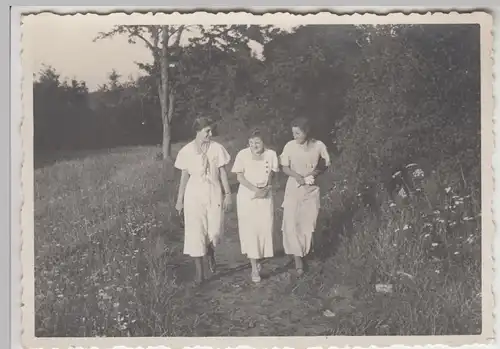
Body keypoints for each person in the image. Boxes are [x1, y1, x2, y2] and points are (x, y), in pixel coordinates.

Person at [174, 117, 232, 285]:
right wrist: (180, 201)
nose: (211, 133)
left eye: (211, 130)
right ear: (198, 132)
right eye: (207, 131)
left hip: (213, 192)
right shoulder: (186, 151)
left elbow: (222, 173)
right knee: (195, 232)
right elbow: (184, 178)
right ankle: (200, 274)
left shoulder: (217, 148)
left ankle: (210, 250)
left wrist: (228, 193)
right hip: (193, 195)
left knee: (214, 231)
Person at [280, 117, 331, 275]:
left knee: (308, 223)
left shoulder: (318, 145)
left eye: (298, 133)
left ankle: (308, 254)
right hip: (294, 188)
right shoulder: (290, 146)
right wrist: (297, 176)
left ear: (306, 132)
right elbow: (284, 167)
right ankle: (298, 261)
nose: (295, 136)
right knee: (292, 223)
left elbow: (325, 163)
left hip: (311, 190)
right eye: (293, 133)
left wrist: (314, 173)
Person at [231, 128, 279, 283]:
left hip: (265, 196)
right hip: (247, 196)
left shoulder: (271, 155)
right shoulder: (242, 155)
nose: (254, 145)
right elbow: (239, 176)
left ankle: (259, 259)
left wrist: (266, 188)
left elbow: (272, 174)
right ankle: (253, 268)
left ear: (263, 142)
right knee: (251, 231)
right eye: (251, 143)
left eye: (257, 142)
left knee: (264, 229)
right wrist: (255, 190)